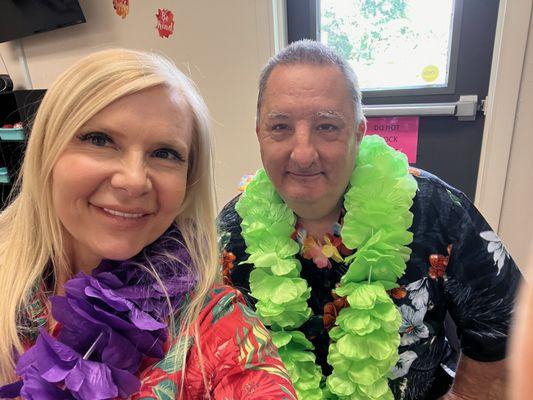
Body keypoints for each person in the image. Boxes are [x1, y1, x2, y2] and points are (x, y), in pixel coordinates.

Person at [218, 40, 521, 399]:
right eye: (280, 127)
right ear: (259, 134)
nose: (302, 154)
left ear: (359, 133)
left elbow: (506, 329)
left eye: (327, 127)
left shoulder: (435, 208)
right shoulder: (233, 230)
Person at [0, 49, 296, 400]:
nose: (134, 181)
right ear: (47, 151)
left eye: (165, 153)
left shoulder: (215, 326)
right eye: (100, 140)